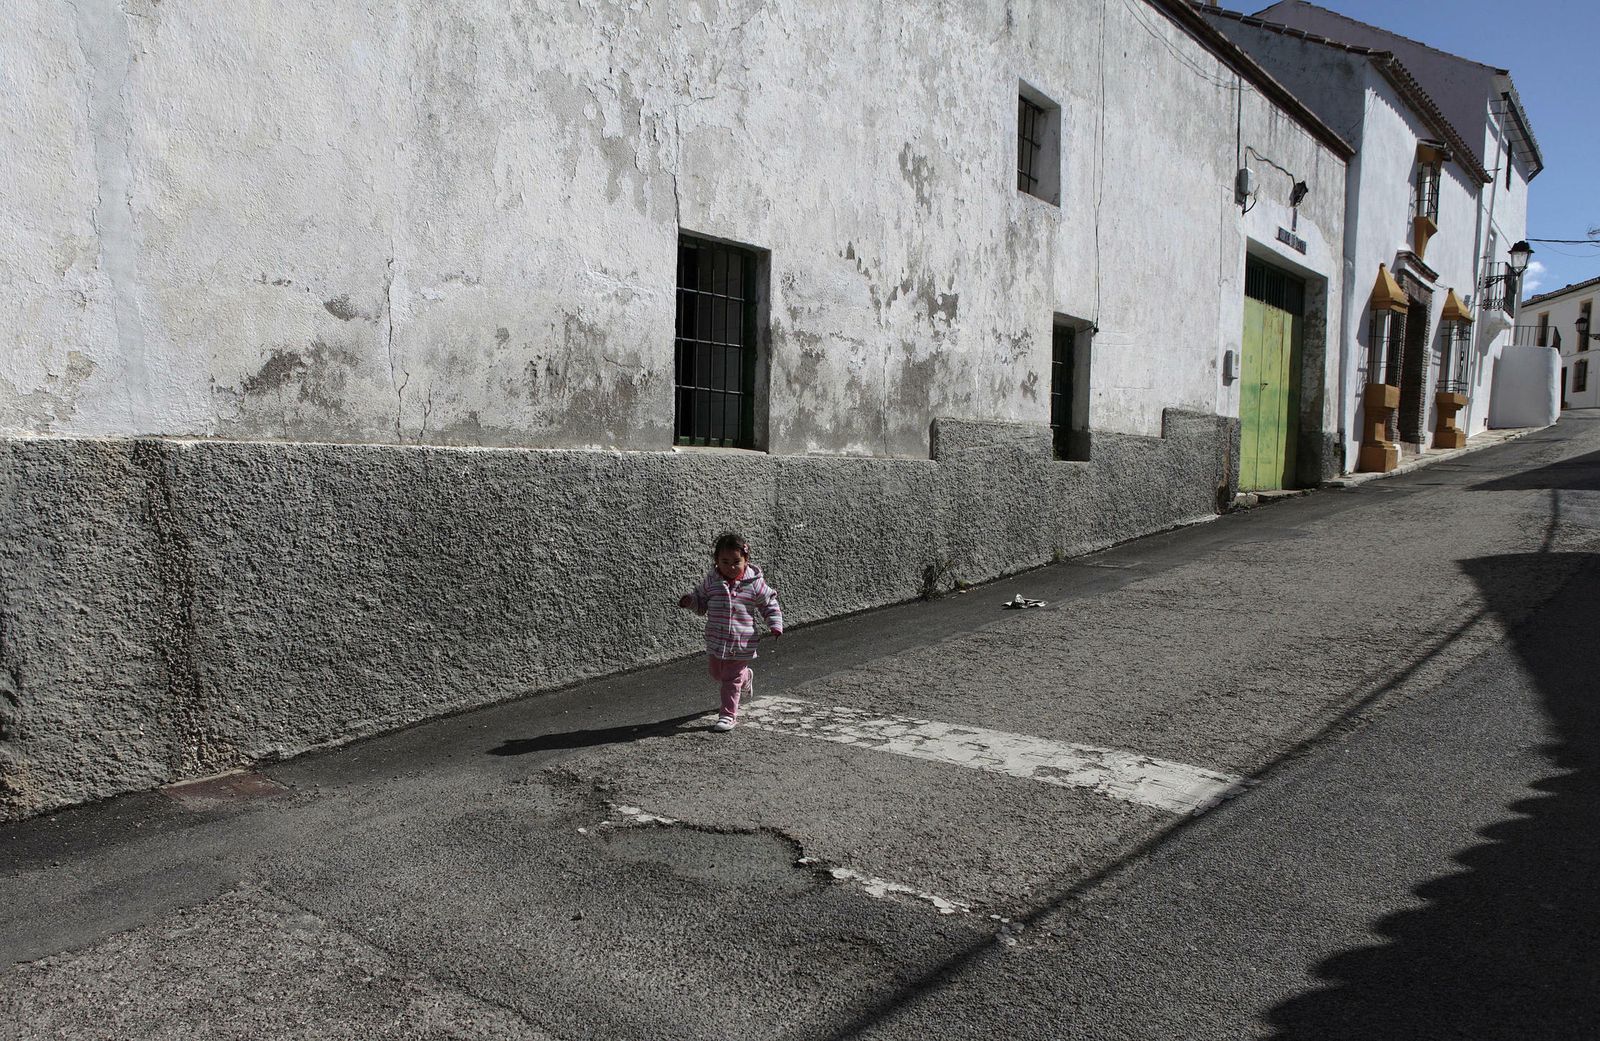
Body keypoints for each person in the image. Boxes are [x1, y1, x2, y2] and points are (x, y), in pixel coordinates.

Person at [678, 531, 783, 732]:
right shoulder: (712, 582)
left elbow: (769, 603)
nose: (731, 567)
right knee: (717, 673)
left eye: (736, 562)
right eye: (725, 562)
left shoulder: (754, 583)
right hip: (717, 639)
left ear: (746, 560)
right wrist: (690, 601)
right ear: (716, 561)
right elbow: (701, 604)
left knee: (729, 679)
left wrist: (775, 623)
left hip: (741, 641)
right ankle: (746, 677)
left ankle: (728, 715)